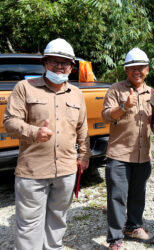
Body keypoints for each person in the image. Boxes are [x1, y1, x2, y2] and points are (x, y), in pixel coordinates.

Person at [3, 38, 91, 250]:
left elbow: (83, 128)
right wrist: (34, 132)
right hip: (33, 170)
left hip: (67, 170)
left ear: (72, 67)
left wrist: (85, 155)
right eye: (54, 61)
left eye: (65, 62)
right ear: (44, 63)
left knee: (58, 218)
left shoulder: (77, 94)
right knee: (29, 223)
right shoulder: (25, 87)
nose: (60, 66)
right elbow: (10, 121)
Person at [102, 48, 154, 250]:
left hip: (143, 155)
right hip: (119, 153)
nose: (137, 71)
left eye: (141, 67)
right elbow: (106, 116)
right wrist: (124, 106)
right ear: (126, 70)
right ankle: (115, 239)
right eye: (132, 67)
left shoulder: (152, 93)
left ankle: (133, 226)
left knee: (138, 194)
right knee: (117, 196)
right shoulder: (116, 90)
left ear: (147, 70)